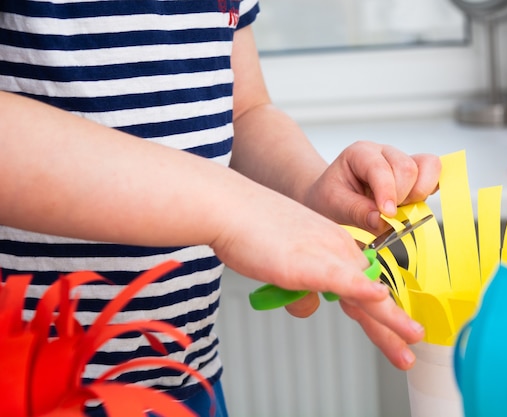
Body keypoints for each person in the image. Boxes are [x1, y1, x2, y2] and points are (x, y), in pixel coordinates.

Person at [0, 1, 441, 416]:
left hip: (189, 378)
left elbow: (245, 111)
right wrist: (233, 207)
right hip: (32, 392)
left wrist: (307, 191)